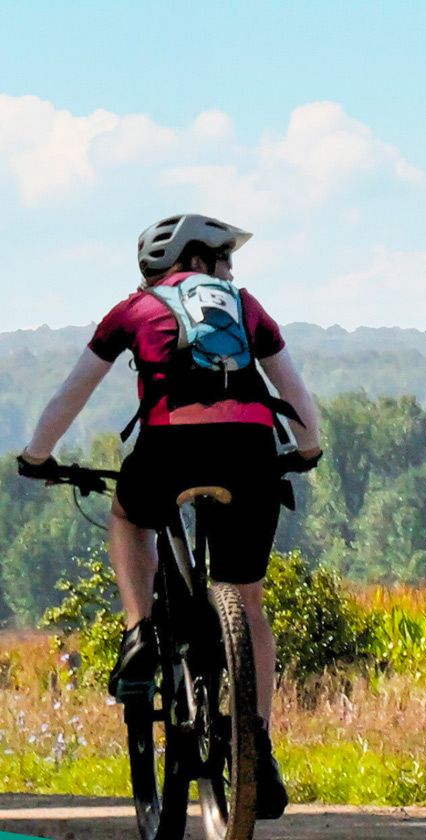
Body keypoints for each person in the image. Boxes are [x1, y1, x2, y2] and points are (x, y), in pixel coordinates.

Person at [16, 213, 323, 819]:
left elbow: (72, 392)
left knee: (131, 518)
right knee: (250, 601)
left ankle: (138, 633)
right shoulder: (246, 305)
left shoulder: (134, 309)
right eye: (224, 259)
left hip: (169, 451)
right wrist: (307, 446)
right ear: (199, 260)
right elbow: (293, 389)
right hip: (250, 454)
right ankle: (255, 740)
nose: (231, 271)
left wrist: (37, 457)